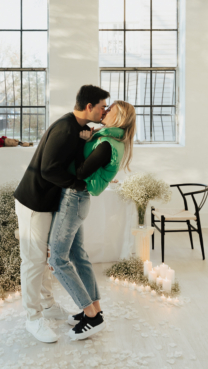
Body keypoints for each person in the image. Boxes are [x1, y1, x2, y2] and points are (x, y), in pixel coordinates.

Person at [14, 85, 110, 343]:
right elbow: (48, 170)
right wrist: (77, 185)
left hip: (49, 202)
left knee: (46, 257)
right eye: (102, 106)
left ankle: (47, 305)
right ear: (89, 106)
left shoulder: (76, 129)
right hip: (34, 202)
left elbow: (72, 160)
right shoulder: (65, 129)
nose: (105, 111)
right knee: (33, 261)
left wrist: (88, 138)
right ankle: (33, 318)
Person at [47, 100, 136, 340]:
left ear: (119, 118)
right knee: (78, 256)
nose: (105, 111)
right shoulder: (109, 139)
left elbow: (81, 173)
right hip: (77, 200)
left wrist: (81, 143)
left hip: (73, 200)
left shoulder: (106, 144)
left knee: (56, 258)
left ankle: (91, 317)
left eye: (110, 110)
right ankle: (95, 308)